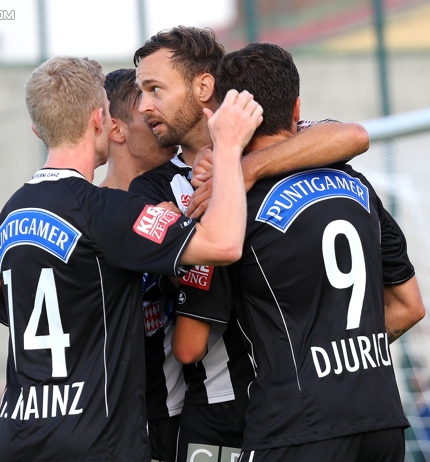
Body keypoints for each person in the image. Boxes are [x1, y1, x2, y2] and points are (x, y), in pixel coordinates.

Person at [0, 56, 263, 461]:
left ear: (37, 130)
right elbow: (222, 245)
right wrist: (227, 148)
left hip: (18, 435)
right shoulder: (103, 210)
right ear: (101, 120)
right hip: (92, 438)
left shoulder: (9, 216)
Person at [132, 26, 370, 462]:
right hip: (219, 405)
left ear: (205, 86)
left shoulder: (277, 140)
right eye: (140, 92)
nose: (145, 105)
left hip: (301, 401)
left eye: (155, 89)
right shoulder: (153, 190)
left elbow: (352, 135)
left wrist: (243, 168)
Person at [212, 42, 425, 461]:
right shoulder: (357, 187)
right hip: (381, 420)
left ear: (229, 118)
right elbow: (409, 306)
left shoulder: (237, 205)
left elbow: (192, 342)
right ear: (296, 108)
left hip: (297, 427)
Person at [100, 68, 185, 462]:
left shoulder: (188, 193)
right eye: (145, 111)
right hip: (116, 425)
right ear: (115, 129)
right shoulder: (87, 215)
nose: (157, 116)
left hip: (185, 415)